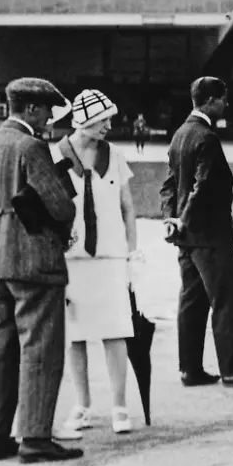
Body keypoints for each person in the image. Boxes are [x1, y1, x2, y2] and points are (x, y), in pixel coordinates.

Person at [0, 77, 83, 463]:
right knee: (40, 345)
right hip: (33, 259)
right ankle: (35, 437)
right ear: (31, 109)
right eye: (47, 111)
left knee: (1, 346)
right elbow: (60, 206)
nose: (49, 120)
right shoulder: (31, 147)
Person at [160, 77, 233, 389]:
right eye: (223, 99)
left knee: (193, 301)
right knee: (230, 300)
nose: (226, 104)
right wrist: (184, 219)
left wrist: (171, 218)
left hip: (187, 238)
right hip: (209, 234)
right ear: (210, 100)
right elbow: (203, 185)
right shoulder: (206, 137)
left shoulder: (180, 134)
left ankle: (190, 370)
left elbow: (169, 184)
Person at [53, 90, 140, 435]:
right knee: (75, 335)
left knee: (115, 332)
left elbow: (127, 207)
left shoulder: (114, 155)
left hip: (110, 258)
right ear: (84, 121)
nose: (109, 125)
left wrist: (132, 251)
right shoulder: (56, 156)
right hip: (71, 260)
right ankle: (83, 404)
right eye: (103, 119)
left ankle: (119, 406)